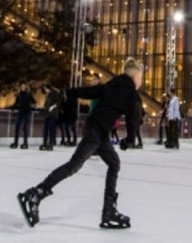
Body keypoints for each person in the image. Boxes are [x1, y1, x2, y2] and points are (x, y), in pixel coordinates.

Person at [17, 58, 143, 229]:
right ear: (135, 76)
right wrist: (129, 140)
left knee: (114, 163)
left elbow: (92, 92)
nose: (141, 81)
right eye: (141, 77)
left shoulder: (113, 85)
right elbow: (133, 118)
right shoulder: (130, 92)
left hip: (98, 130)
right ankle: (36, 194)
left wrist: (68, 93)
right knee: (74, 166)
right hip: (96, 132)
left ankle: (108, 211)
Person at [10, 82, 36, 149]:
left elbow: (34, 101)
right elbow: (16, 103)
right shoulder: (19, 94)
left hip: (27, 112)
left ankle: (25, 142)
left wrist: (32, 106)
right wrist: (12, 108)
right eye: (22, 86)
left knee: (24, 127)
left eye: (24, 86)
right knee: (17, 127)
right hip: (20, 112)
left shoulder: (28, 94)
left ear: (26, 87)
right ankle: (15, 142)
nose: (23, 88)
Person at [40, 85, 62, 151]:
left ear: (48, 88)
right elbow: (46, 104)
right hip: (47, 114)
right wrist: (41, 106)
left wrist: (52, 107)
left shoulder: (54, 94)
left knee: (51, 129)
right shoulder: (47, 95)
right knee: (45, 129)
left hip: (52, 114)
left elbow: (58, 102)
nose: (45, 90)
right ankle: (44, 143)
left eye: (45, 89)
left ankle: (51, 143)